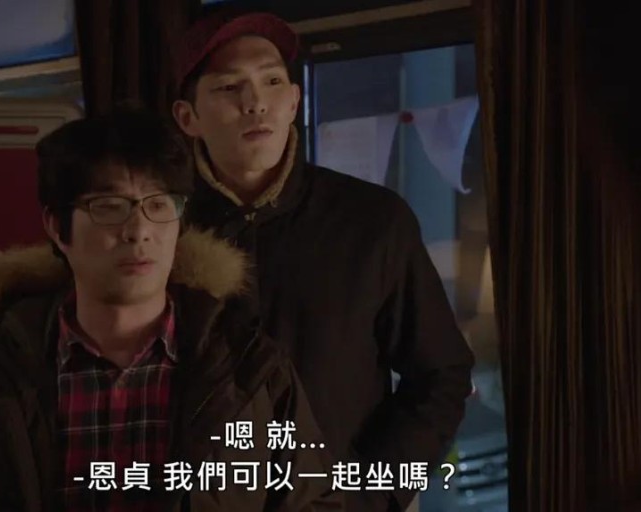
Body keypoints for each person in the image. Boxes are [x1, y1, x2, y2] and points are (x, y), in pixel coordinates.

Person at [0, 105, 341, 511]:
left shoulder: (249, 370)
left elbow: (313, 501)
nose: (139, 230)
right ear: (57, 227)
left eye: (159, 204)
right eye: (109, 207)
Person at [171, 10, 476, 511]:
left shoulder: (372, 219)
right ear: (189, 118)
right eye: (228, 87)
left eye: (272, 82)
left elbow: (440, 374)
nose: (255, 103)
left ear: (294, 101)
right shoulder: (160, 232)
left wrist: (370, 495)